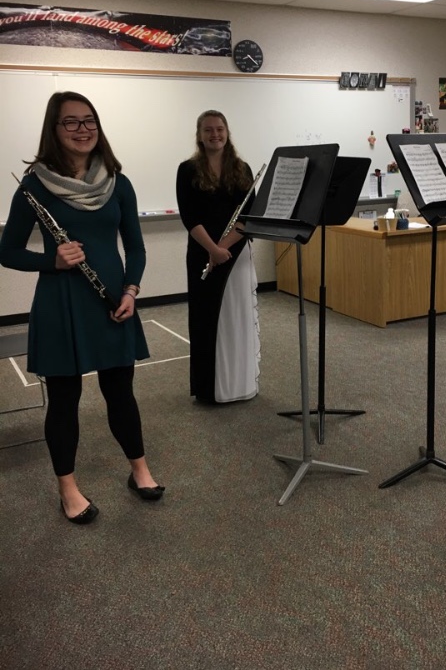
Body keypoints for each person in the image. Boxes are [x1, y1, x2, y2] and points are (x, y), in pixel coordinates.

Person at [0, 91, 164, 524]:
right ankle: (68, 489)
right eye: (70, 122)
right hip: (62, 303)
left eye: (89, 120)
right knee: (65, 399)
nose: (83, 129)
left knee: (121, 392)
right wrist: (50, 260)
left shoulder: (117, 182)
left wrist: (131, 291)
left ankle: (139, 470)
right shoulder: (35, 185)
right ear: (54, 129)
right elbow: (8, 251)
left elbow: (136, 247)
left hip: (114, 300)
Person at [176, 109, 260, 405]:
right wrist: (212, 249)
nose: (215, 135)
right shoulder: (187, 170)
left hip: (236, 254)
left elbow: (248, 216)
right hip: (202, 252)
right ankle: (210, 390)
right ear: (199, 135)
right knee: (206, 320)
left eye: (220, 129)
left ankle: (239, 384)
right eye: (208, 130)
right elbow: (190, 216)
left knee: (237, 318)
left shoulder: (243, 168)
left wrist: (224, 247)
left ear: (227, 132)